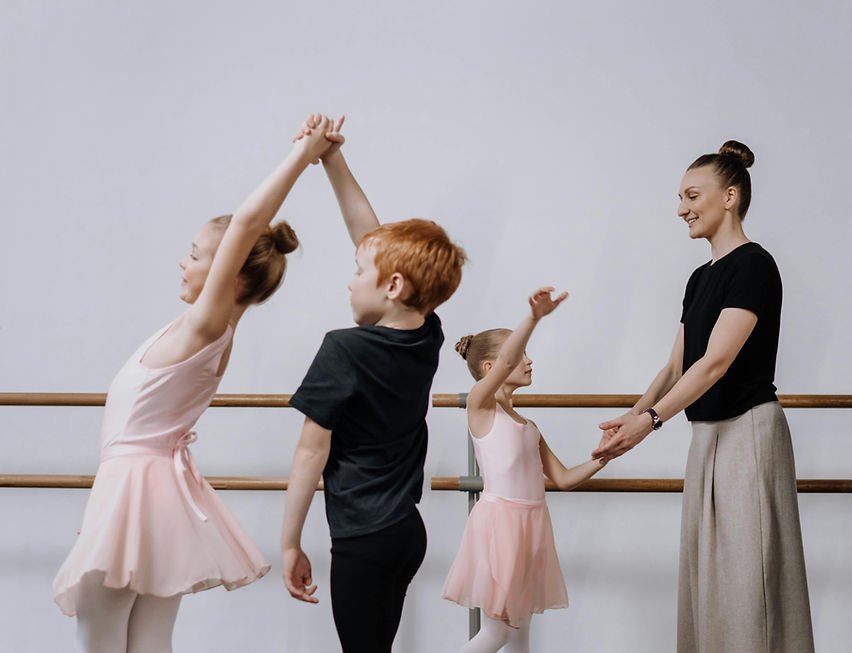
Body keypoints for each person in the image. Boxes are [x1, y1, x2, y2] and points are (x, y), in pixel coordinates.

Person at [51, 115, 342, 652]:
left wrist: (303, 156)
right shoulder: (205, 329)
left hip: (136, 497)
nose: (182, 262)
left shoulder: (208, 325)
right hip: (150, 500)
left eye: (195, 254)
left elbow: (246, 221)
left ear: (229, 276)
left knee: (99, 642)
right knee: (150, 643)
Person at [592, 141, 814, 653]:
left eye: (693, 195)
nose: (681, 208)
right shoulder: (700, 278)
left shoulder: (754, 266)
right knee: (709, 575)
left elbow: (715, 362)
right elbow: (677, 364)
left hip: (749, 433)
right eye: (680, 197)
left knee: (749, 581)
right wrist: (630, 418)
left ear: (730, 196)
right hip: (705, 436)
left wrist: (648, 421)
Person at [280, 114, 467, 653]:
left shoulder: (345, 348)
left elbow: (309, 455)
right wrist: (333, 159)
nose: (349, 278)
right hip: (406, 534)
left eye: (358, 272)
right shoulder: (427, 332)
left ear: (392, 284)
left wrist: (290, 543)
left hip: (362, 538)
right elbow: (375, 241)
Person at [442, 287, 607, 653]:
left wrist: (606, 457)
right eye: (521, 355)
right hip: (501, 525)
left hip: (532, 527)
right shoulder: (481, 407)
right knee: (497, 632)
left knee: (520, 637)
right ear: (491, 367)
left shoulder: (528, 425)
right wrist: (533, 318)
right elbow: (506, 362)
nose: (529, 361)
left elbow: (562, 479)